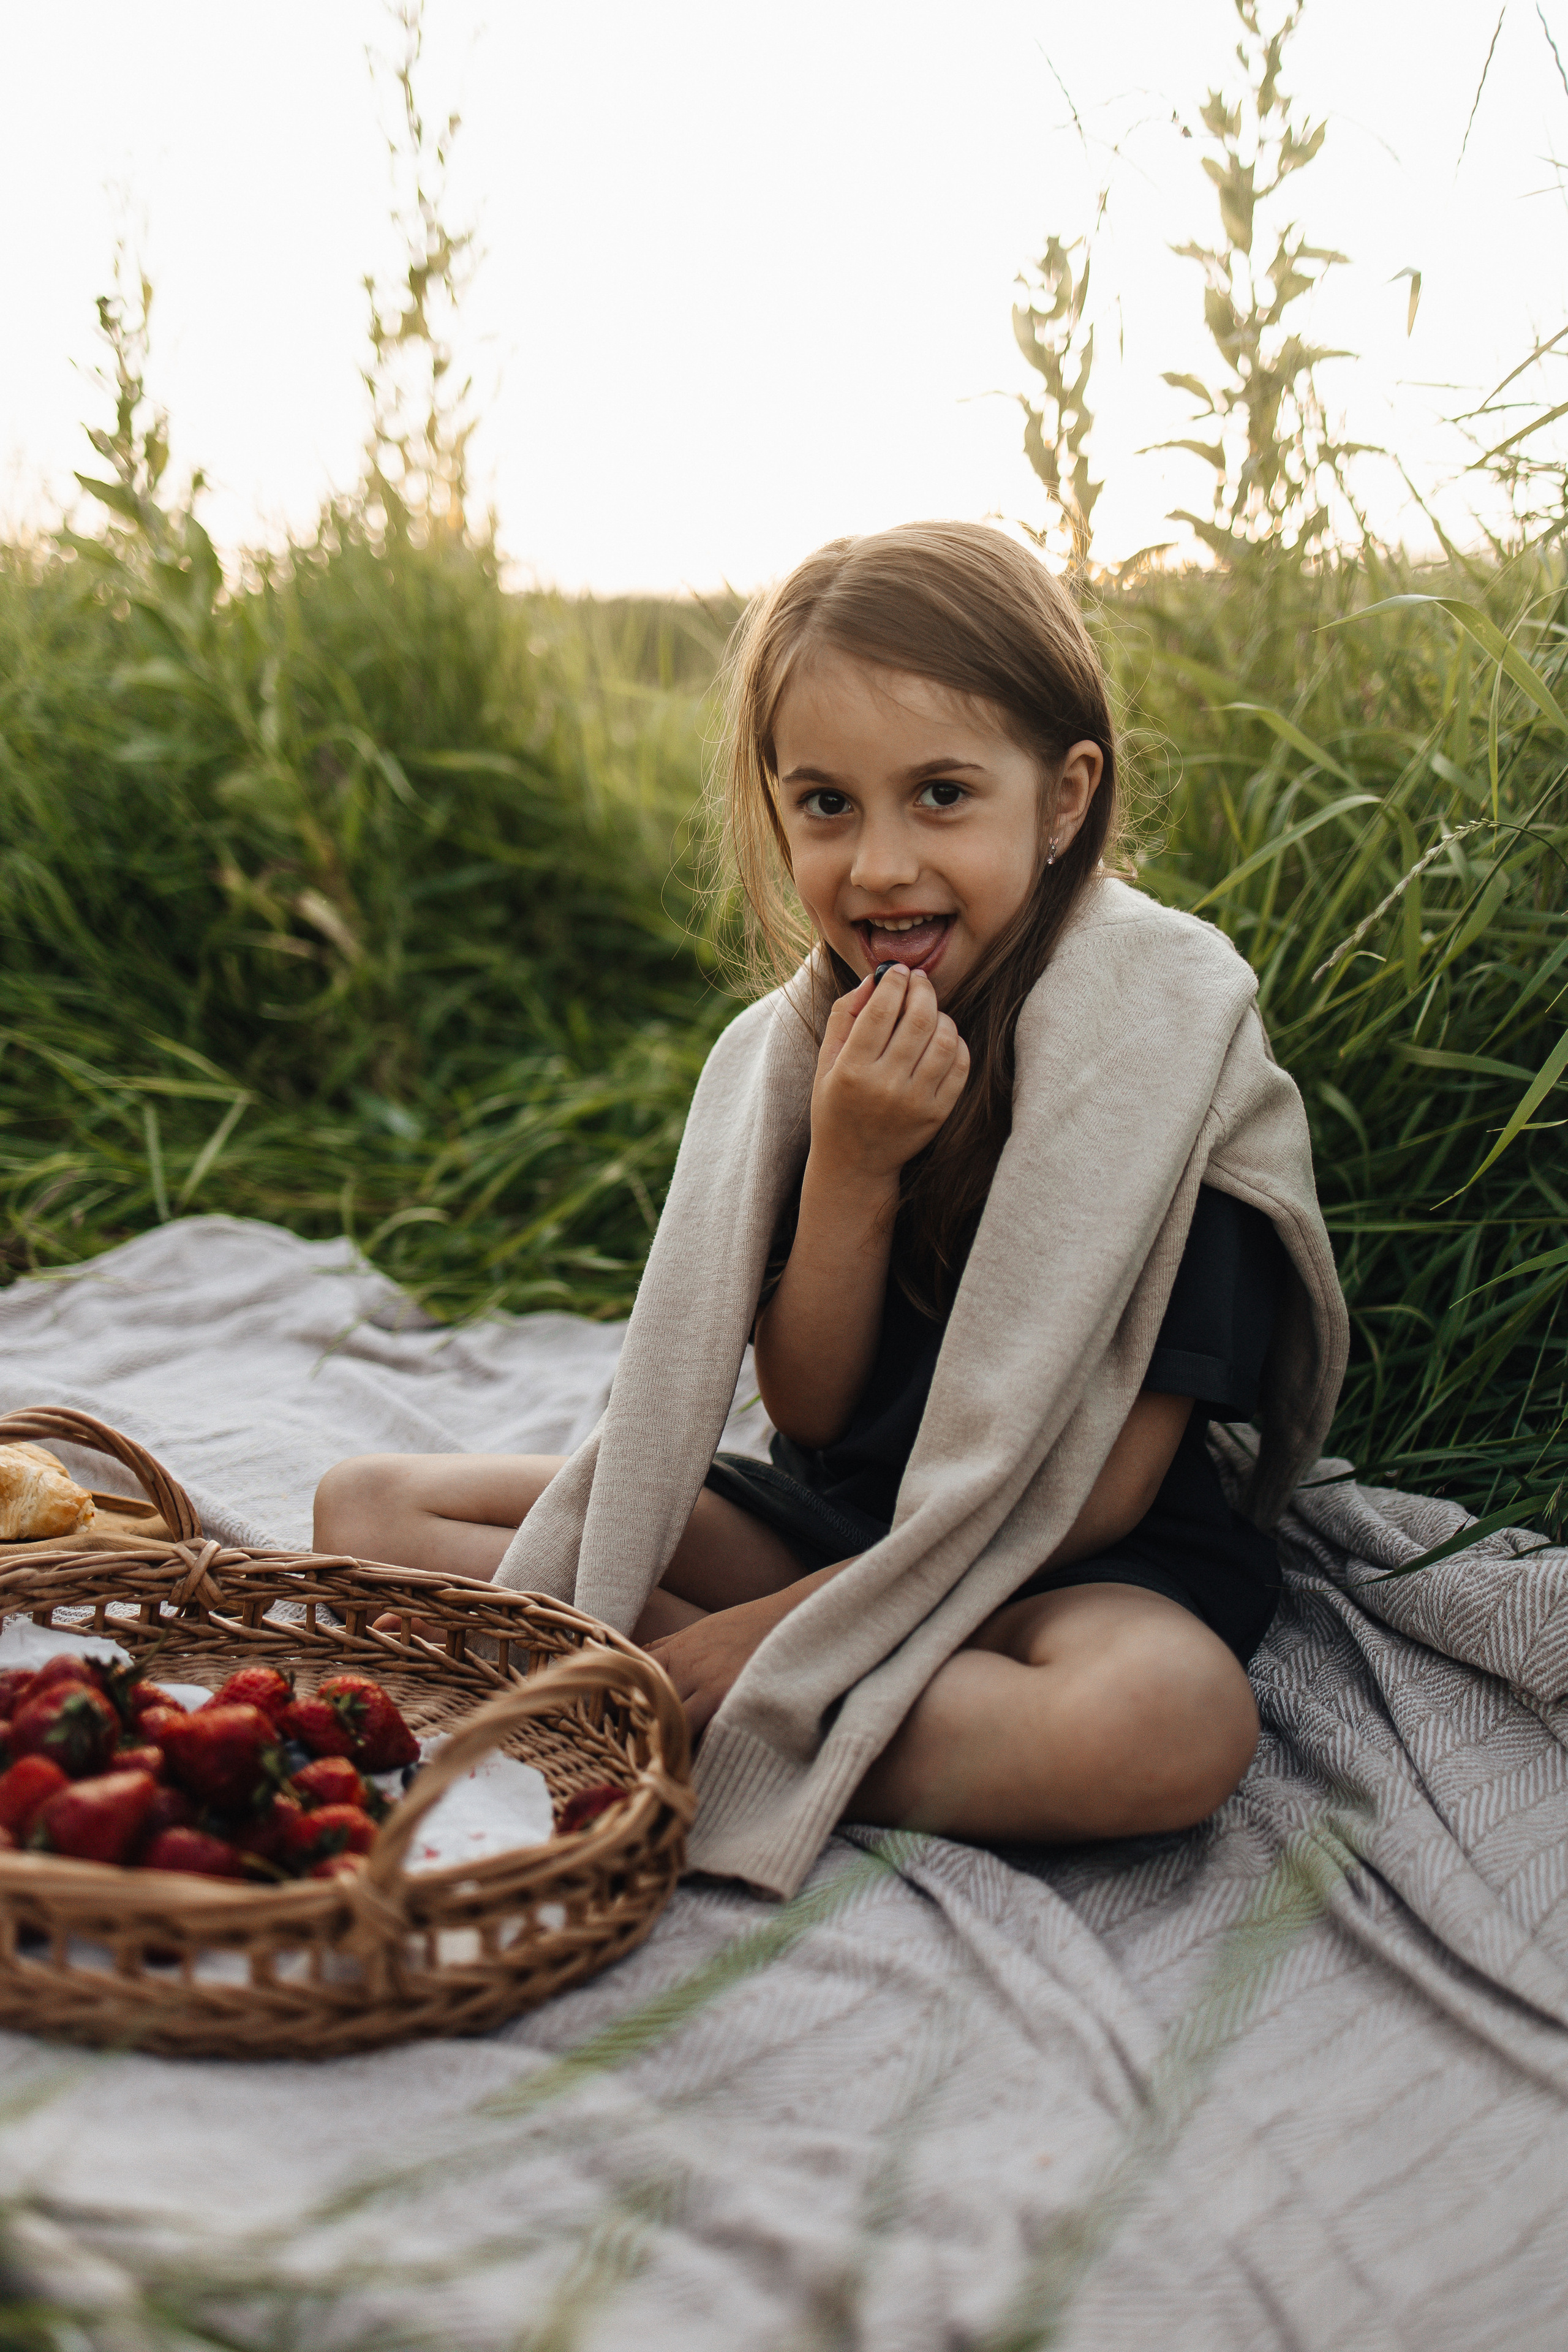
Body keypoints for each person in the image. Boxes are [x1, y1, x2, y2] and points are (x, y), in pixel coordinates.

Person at [314, 522, 1344, 1866]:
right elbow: (805, 1411)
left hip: (1056, 1573)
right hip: (835, 1527)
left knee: (1162, 1722)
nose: (876, 866)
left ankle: (682, 1696)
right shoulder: (807, 1053)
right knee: (369, 1512)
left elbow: (1095, 1492)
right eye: (825, 804)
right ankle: (736, 1708)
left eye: (941, 796)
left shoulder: (1159, 1049)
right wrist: (851, 1165)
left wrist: (771, 1637)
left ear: (1064, 796)